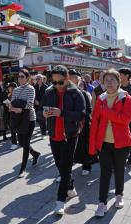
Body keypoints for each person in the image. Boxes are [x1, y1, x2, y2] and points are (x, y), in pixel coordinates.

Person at [40, 65, 85, 215]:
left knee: (65, 169)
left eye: (60, 82)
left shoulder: (75, 93)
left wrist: (62, 113)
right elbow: (41, 110)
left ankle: (60, 201)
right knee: (60, 166)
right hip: (54, 134)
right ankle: (71, 188)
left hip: (70, 135)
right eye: (54, 82)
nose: (57, 85)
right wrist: (44, 114)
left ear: (67, 79)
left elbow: (82, 115)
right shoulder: (48, 92)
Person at [89, 69, 131, 217]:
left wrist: (106, 112)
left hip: (122, 143)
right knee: (105, 173)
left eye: (112, 80)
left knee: (120, 170)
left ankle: (119, 195)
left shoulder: (125, 98)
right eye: (106, 80)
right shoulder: (101, 98)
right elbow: (95, 121)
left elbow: (125, 119)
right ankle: (102, 203)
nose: (109, 83)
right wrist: (93, 145)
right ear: (103, 82)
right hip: (104, 143)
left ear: (118, 82)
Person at [11, 69, 41, 178]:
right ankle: (35, 154)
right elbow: (12, 104)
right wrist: (16, 107)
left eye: (22, 76)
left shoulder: (31, 88)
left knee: (26, 142)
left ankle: (22, 168)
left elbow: (29, 105)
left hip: (29, 119)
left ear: (27, 78)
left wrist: (18, 107)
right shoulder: (16, 90)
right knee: (22, 143)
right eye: (18, 76)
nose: (20, 78)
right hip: (18, 119)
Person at [69, 70, 93, 176]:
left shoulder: (84, 93)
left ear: (78, 80)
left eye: (73, 77)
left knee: (84, 145)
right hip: (69, 125)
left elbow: (88, 111)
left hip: (83, 124)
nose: (70, 79)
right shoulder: (63, 93)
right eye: (68, 77)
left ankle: (86, 165)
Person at [6, 82, 18, 150]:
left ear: (13, 88)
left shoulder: (17, 94)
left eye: (9, 87)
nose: (8, 88)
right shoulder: (9, 94)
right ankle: (14, 143)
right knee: (12, 129)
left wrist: (12, 107)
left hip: (17, 113)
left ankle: (18, 141)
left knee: (17, 129)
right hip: (11, 113)